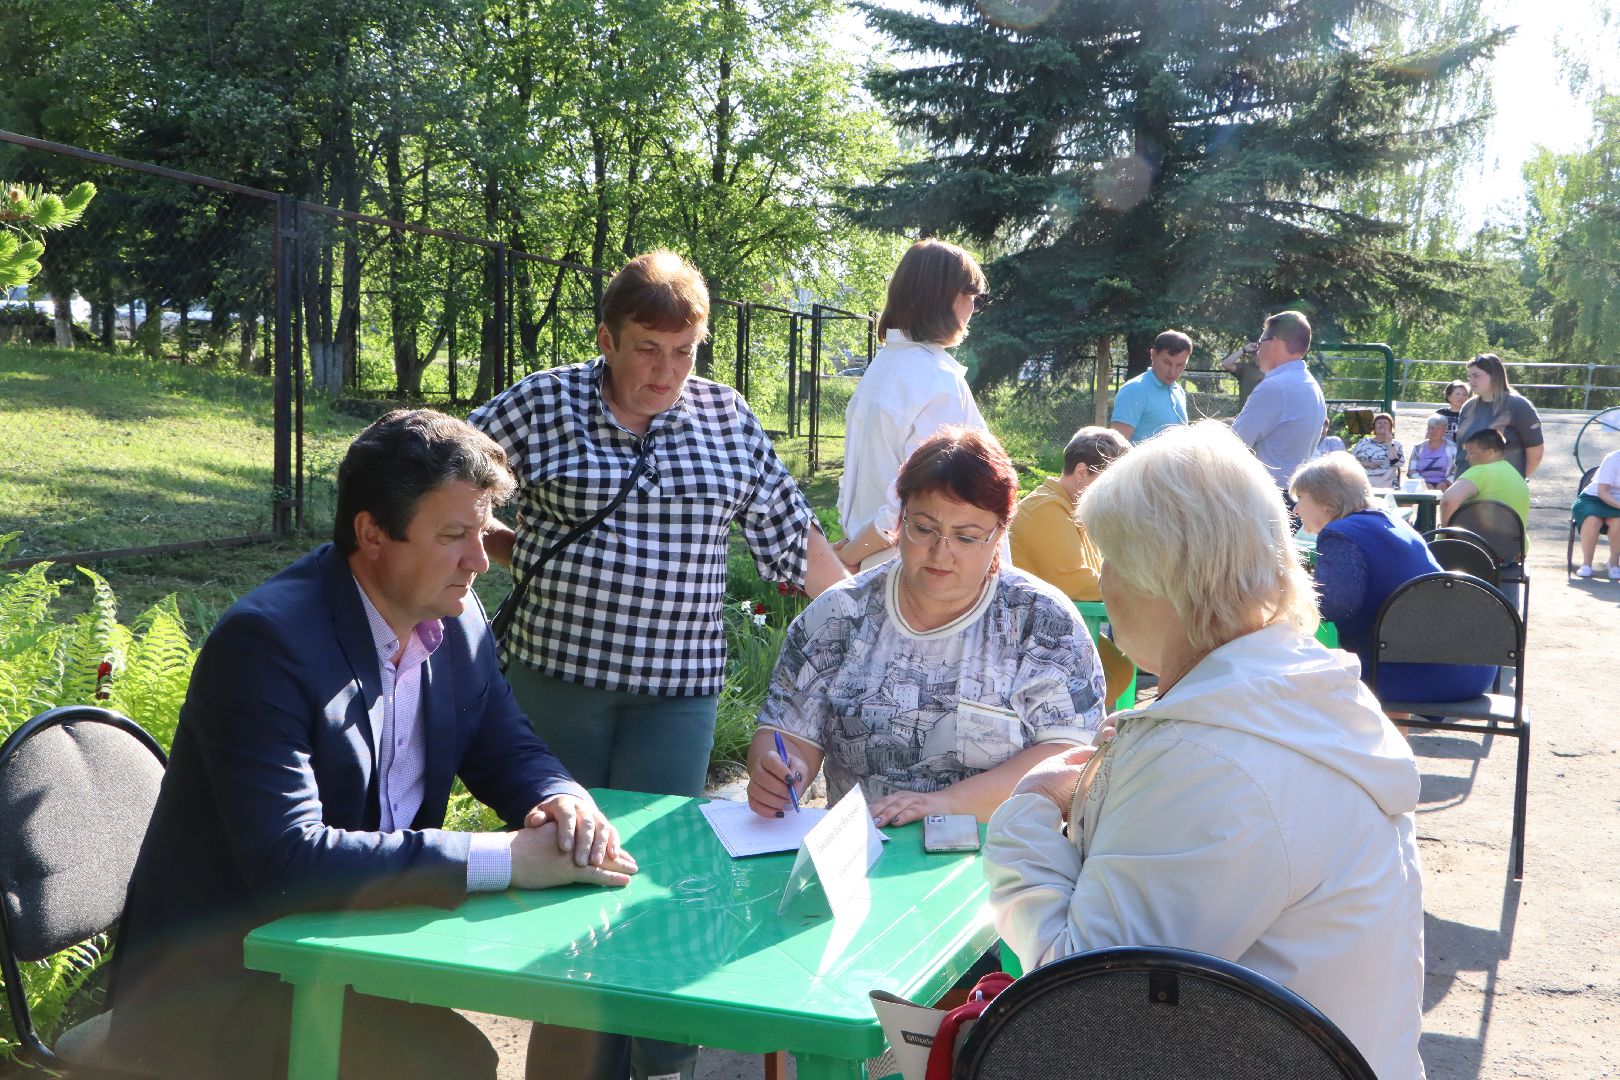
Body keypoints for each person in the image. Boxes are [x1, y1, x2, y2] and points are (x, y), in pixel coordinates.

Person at [107, 411, 637, 1080]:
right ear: (372, 534)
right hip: (219, 987)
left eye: (483, 532)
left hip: (351, 953)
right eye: (453, 536)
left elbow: (505, 745)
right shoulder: (266, 647)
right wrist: (508, 858)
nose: (480, 561)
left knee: (573, 1004)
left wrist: (559, 798)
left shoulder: (458, 615)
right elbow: (289, 862)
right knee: (454, 1064)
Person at [468, 250, 846, 1080]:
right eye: (647, 349)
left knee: (662, 874)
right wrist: (487, 546)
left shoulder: (724, 418)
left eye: (685, 353)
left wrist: (863, 630)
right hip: (555, 683)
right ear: (607, 338)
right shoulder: (542, 403)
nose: (666, 372)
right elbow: (447, 478)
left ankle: (660, 1061)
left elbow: (792, 534)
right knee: (566, 869)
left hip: (675, 695)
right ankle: (569, 1062)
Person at [982, 422, 1424, 1080]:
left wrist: (1029, 809)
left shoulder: (1209, 758)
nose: (1104, 587)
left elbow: (1079, 1004)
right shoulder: (1303, 693)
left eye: (1109, 565)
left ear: (1160, 584)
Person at [747, 427, 1108, 828]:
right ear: (900, 520)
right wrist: (779, 772)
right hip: (860, 853)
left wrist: (947, 803)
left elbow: (1067, 760)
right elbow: (787, 731)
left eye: (967, 537)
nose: (941, 552)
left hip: (1003, 857)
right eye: (923, 528)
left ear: (999, 534)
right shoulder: (838, 614)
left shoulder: (1043, 622)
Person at [834, 238, 993, 572]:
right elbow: (932, 498)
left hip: (880, 564)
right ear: (948, 296)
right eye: (973, 298)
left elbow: (860, 485)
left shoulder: (884, 366)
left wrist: (852, 551)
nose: (972, 311)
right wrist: (849, 555)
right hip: (921, 573)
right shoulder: (934, 378)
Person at [1292, 452, 1494, 703]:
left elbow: (1334, 606)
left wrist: (1289, 591)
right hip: (1471, 666)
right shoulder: (1392, 521)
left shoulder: (1340, 534)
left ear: (1326, 500)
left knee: (1294, 677)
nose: (1296, 509)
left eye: (1300, 498)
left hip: (1423, 672)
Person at [1008, 426, 1130, 602]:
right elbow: (1078, 584)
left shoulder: (1071, 508)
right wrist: (1145, 591)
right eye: (1110, 482)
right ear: (1081, 472)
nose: (1116, 493)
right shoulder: (1046, 509)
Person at [1229, 310, 1327, 490]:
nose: (1258, 349)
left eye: (1261, 342)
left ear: (1275, 343)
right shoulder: (1311, 385)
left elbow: (1233, 445)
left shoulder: (1275, 387)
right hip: (1295, 494)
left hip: (1268, 497)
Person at [1453, 353, 1544, 477]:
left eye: (1476, 376)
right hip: (1466, 487)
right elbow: (1461, 452)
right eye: (1469, 377)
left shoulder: (1518, 405)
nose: (1471, 381)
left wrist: (1515, 481)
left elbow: (1535, 453)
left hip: (1499, 489)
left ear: (1494, 375)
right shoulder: (1468, 407)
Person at [1109, 330, 1190, 443]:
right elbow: (1116, 448)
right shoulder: (1134, 390)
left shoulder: (1179, 391)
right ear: (1153, 355)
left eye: (1180, 365)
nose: (1173, 372)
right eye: (1167, 363)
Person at [1441, 427, 1530, 530]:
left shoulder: (1481, 471)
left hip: (1478, 543)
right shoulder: (1515, 474)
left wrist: (1446, 537)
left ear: (1489, 453)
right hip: (1515, 544)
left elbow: (1448, 502)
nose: (1466, 458)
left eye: (1471, 452)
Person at [1573, 448, 1620, 579]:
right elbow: (1603, 492)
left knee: (1618, 522)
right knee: (1593, 520)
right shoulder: (1613, 458)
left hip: (1617, 503)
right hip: (1594, 499)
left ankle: (1614, 563)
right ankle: (1586, 564)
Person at [1350, 410, 1405, 488]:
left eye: (1385, 423)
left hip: (1386, 480)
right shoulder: (1364, 442)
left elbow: (1397, 463)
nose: (1382, 425)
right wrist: (1366, 464)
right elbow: (1351, 460)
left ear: (1391, 428)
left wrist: (1389, 443)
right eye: (1379, 423)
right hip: (1363, 476)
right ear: (1374, 427)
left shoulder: (1397, 444)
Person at [1410, 414, 1457, 490]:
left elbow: (1457, 470)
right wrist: (1424, 484)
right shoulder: (1418, 448)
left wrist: (1446, 482)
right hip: (1421, 486)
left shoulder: (1453, 448)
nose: (1434, 431)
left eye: (1438, 428)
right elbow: (1411, 471)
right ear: (1427, 429)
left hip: (1446, 486)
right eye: (1431, 428)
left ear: (1444, 430)